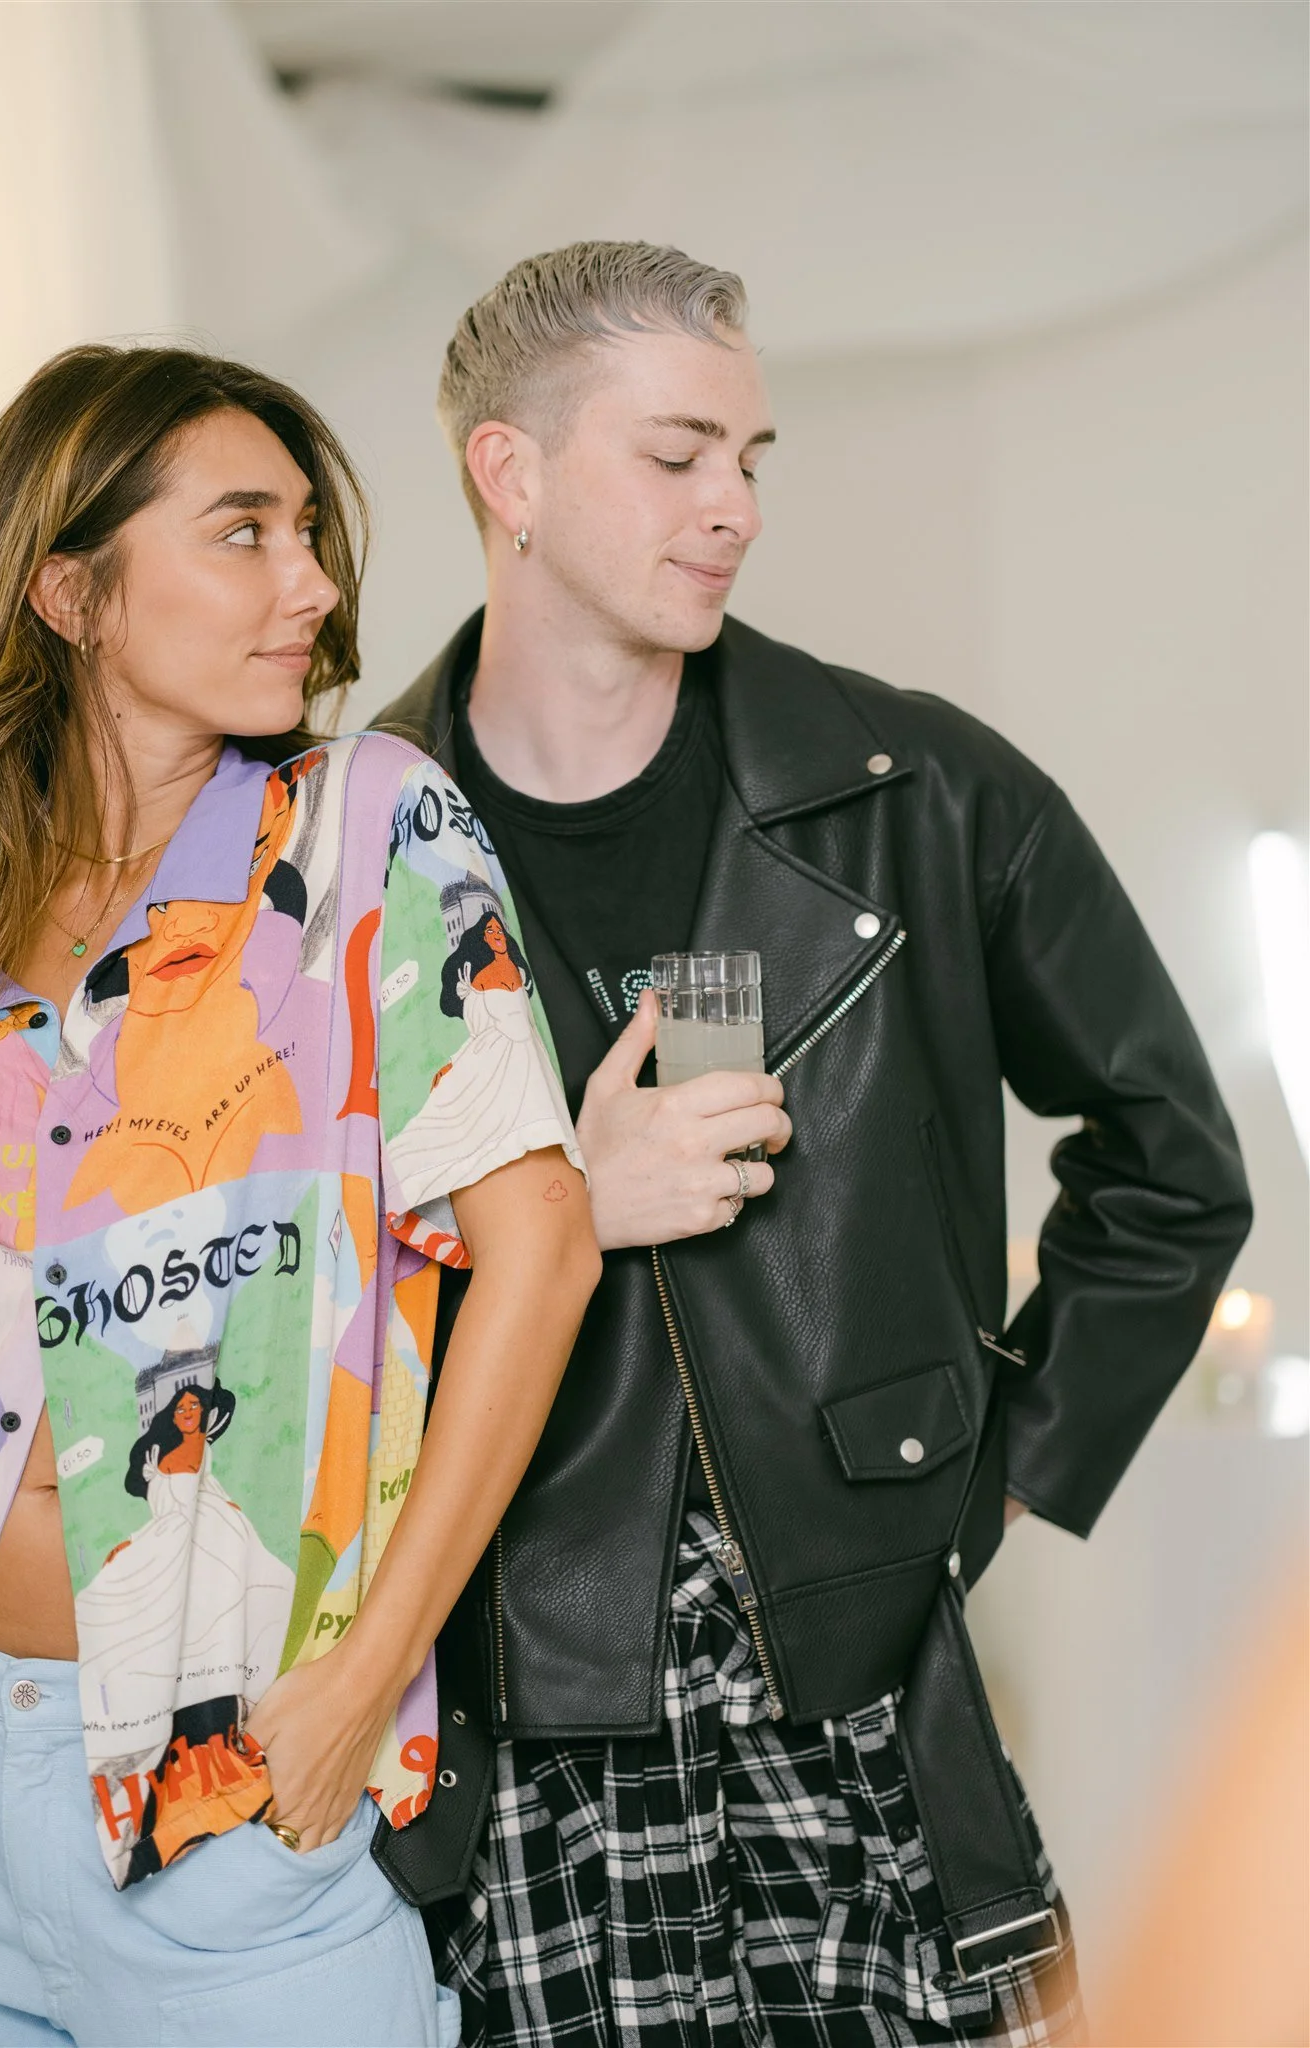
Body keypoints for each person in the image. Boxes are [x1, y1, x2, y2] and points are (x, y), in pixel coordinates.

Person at [377, 243, 1254, 2046]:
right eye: (677, 454)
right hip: (527, 1727)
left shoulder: (916, 789)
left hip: (865, 1709)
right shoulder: (332, 855)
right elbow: (272, 1289)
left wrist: (994, 1470)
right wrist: (562, 1210)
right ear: (508, 472)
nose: (737, 509)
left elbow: (1171, 1162)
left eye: (752, 457)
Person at [0, 343, 601, 2047]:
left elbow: (547, 1255)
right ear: (71, 592)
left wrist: (357, 1687)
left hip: (226, 1792)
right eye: (243, 532)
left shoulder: (370, 830)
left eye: (308, 534)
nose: (311, 585)